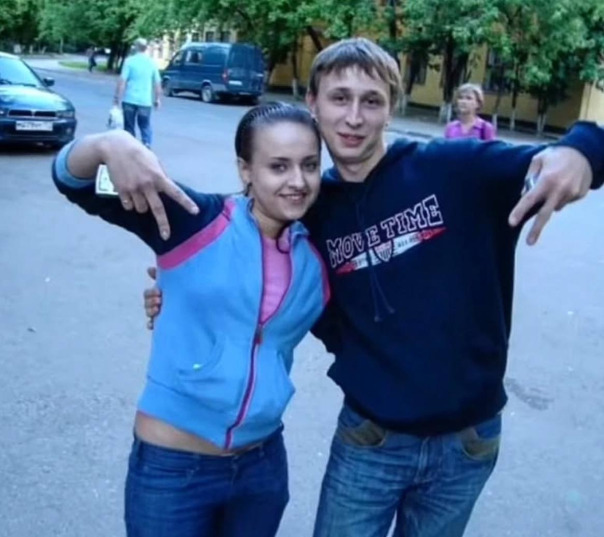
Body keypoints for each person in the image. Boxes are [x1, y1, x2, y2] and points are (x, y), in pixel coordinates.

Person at [138, 38, 602, 537]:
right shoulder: (308, 209)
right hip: (371, 440)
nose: (354, 117)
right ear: (313, 104)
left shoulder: (458, 169)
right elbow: (235, 248)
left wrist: (580, 153)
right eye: (340, 98)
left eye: (371, 101)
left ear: (391, 107)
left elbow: (575, 152)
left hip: (468, 444)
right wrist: (177, 290)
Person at [52, 102, 331, 537]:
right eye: (278, 166)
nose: (297, 181)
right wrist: (109, 142)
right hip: (173, 469)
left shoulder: (317, 253)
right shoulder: (194, 220)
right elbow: (72, 178)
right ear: (245, 170)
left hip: (262, 469)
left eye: (309, 165)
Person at [114, 38, 162, 148]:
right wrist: (157, 99)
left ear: (136, 47)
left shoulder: (129, 61)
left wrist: (117, 98)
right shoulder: (152, 63)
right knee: (145, 125)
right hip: (145, 102)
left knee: (129, 127)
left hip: (129, 100)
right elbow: (157, 83)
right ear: (146, 48)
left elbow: (122, 81)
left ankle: (130, 147)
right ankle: (146, 144)